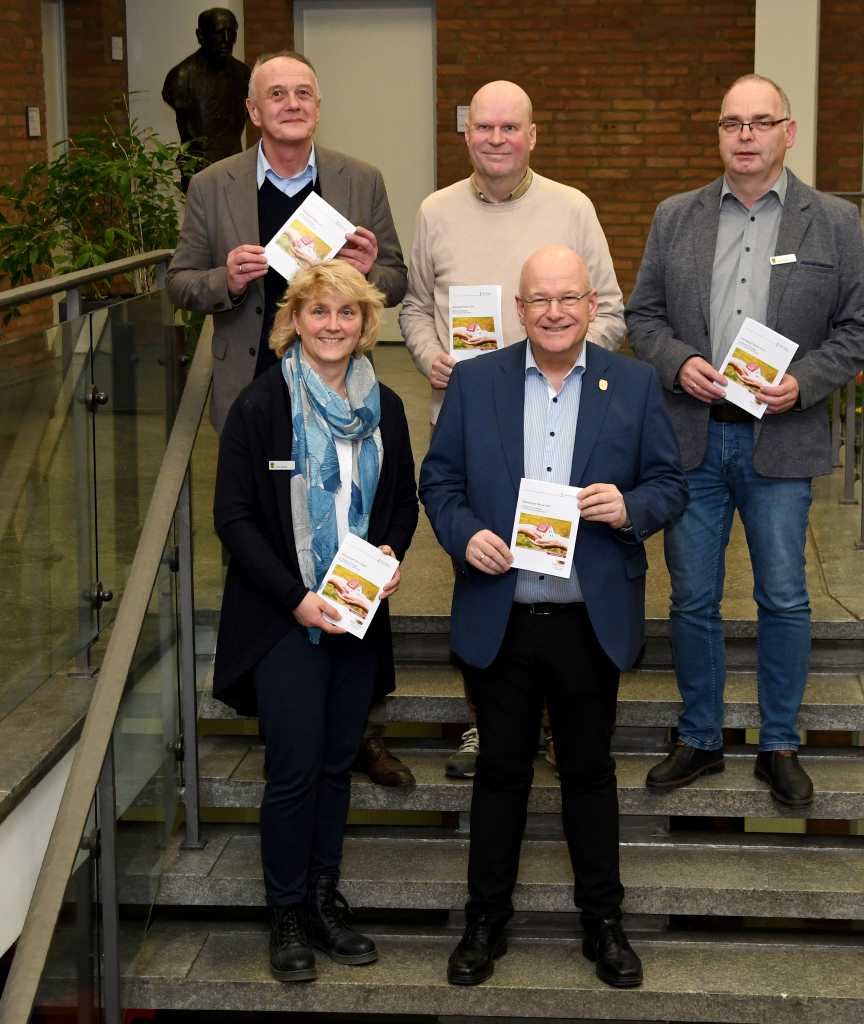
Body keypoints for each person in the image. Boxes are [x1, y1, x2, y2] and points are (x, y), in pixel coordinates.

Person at [419, 245, 687, 990]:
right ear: (520, 308)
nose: (556, 312)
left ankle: (604, 924)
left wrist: (631, 508)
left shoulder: (631, 385)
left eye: (570, 297)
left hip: (586, 619)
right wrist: (462, 532)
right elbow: (437, 480)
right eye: (540, 299)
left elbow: (670, 483)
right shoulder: (476, 383)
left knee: (590, 774)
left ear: (592, 305)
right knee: (499, 774)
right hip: (500, 614)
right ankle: (484, 920)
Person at [626, 74, 864, 808]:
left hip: (782, 440)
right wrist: (679, 362)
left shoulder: (830, 220)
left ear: (788, 133)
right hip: (694, 438)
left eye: (760, 122)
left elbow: (860, 328)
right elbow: (644, 317)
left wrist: (804, 381)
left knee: (784, 597)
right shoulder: (676, 216)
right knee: (693, 599)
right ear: (718, 134)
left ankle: (779, 743)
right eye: (731, 122)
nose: (744, 135)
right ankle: (701, 737)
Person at [168, 50, 410, 787]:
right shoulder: (213, 187)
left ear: (317, 103)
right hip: (258, 401)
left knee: (353, 542)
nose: (292, 102)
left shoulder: (358, 180)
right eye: (276, 93)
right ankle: (286, 710)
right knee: (270, 554)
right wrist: (224, 278)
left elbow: (396, 278)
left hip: (343, 404)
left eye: (303, 91)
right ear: (253, 110)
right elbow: (178, 282)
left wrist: (371, 268)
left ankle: (355, 724)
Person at [401, 79, 626, 780]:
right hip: (473, 439)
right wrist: (432, 356)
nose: (496, 139)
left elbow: (612, 312)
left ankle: (564, 724)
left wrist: (563, 359)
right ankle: (488, 725)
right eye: (484, 128)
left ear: (533, 134)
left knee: (562, 592)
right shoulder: (435, 212)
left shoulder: (572, 208)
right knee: (483, 580)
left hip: (563, 429)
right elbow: (412, 307)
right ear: (466, 134)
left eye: (511, 128)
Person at [212, 260, 418, 982]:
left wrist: (391, 550)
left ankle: (326, 902)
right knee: (295, 771)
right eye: (319, 311)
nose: (334, 325)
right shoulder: (261, 406)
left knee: (337, 766)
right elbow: (233, 520)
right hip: (284, 621)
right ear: (293, 320)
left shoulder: (385, 405)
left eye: (348, 313)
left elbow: (401, 500)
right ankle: (288, 915)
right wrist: (299, 599)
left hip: (356, 616)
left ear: (366, 326)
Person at [162, 8, 251, 189]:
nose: (226, 39)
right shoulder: (180, 78)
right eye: (219, 33)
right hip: (199, 170)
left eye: (231, 32)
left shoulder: (244, 75)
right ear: (201, 35)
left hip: (234, 166)